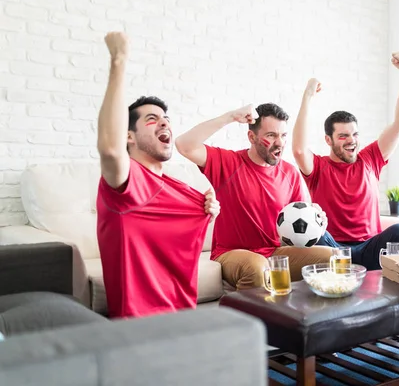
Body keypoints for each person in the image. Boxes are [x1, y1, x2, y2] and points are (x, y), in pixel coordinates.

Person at [95, 32, 220, 319]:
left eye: (165, 118)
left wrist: (208, 209)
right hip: (140, 324)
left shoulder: (178, 188)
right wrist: (118, 61)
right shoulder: (127, 181)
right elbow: (110, 150)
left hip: (182, 316)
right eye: (151, 119)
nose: (163, 121)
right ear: (129, 136)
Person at [175, 103, 334, 290]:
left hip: (274, 253)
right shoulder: (228, 163)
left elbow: (300, 222)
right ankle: (254, 318)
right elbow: (184, 145)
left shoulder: (290, 173)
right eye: (271, 135)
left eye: (283, 135)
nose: (280, 142)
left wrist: (317, 222)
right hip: (232, 253)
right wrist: (230, 116)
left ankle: (302, 316)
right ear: (252, 137)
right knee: (258, 267)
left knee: (333, 257)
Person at [291, 51, 399, 270]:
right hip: (334, 249)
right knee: (313, 232)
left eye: (354, 134)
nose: (351, 141)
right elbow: (299, 149)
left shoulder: (370, 159)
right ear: (328, 140)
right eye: (343, 136)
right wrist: (308, 95)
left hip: (370, 247)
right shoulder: (319, 167)